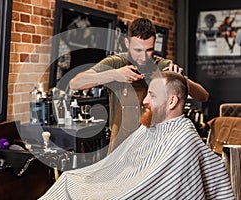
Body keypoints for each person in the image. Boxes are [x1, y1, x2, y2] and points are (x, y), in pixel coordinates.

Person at [39, 71, 233, 200]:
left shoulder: (183, 139)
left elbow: (154, 188)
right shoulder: (149, 127)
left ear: (172, 101)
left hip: (126, 192)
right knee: (69, 179)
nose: (145, 101)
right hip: (117, 184)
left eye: (153, 95)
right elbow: (76, 82)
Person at [69, 18, 210, 153]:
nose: (144, 57)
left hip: (153, 147)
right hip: (119, 147)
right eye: (137, 50)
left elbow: (203, 96)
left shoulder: (161, 66)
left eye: (149, 50)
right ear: (126, 43)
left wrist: (182, 79)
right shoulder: (116, 63)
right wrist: (114, 75)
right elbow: (75, 83)